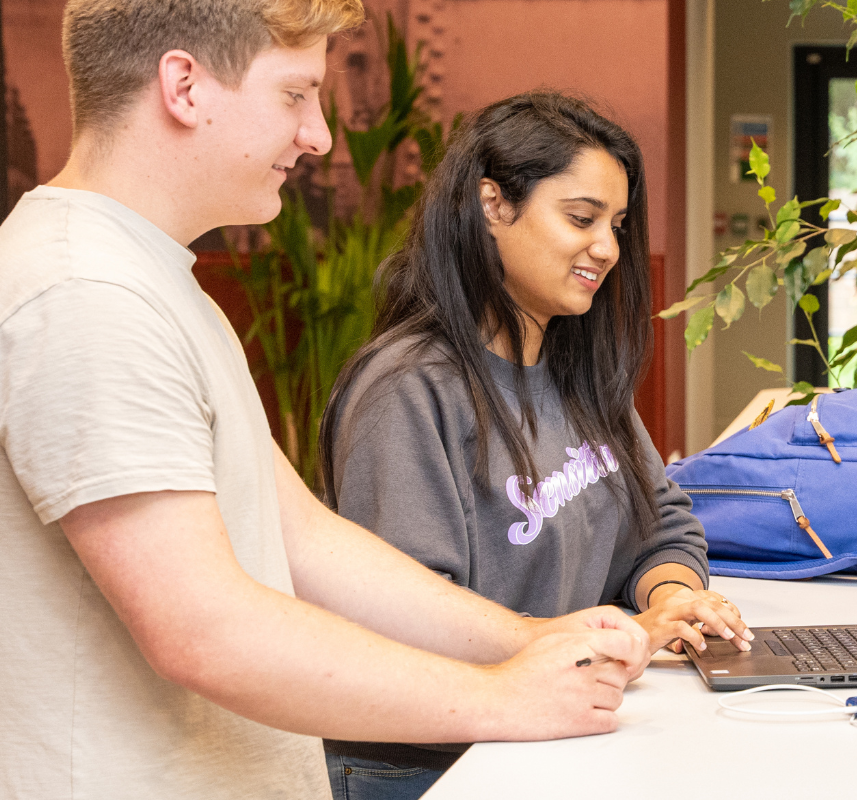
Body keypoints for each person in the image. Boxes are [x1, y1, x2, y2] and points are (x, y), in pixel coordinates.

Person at [0, 2, 653, 797]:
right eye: (296, 94)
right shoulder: (85, 295)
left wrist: (529, 638)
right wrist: (504, 695)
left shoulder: (152, 281)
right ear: (184, 86)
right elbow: (204, 632)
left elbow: (303, 539)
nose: (319, 135)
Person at [317, 90, 753, 797]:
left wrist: (675, 603)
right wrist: (618, 638)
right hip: (433, 763)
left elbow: (663, 525)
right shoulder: (406, 390)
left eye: (616, 224)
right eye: (581, 218)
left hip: (554, 729)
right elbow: (412, 616)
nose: (607, 248)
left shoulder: (577, 370)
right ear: (493, 205)